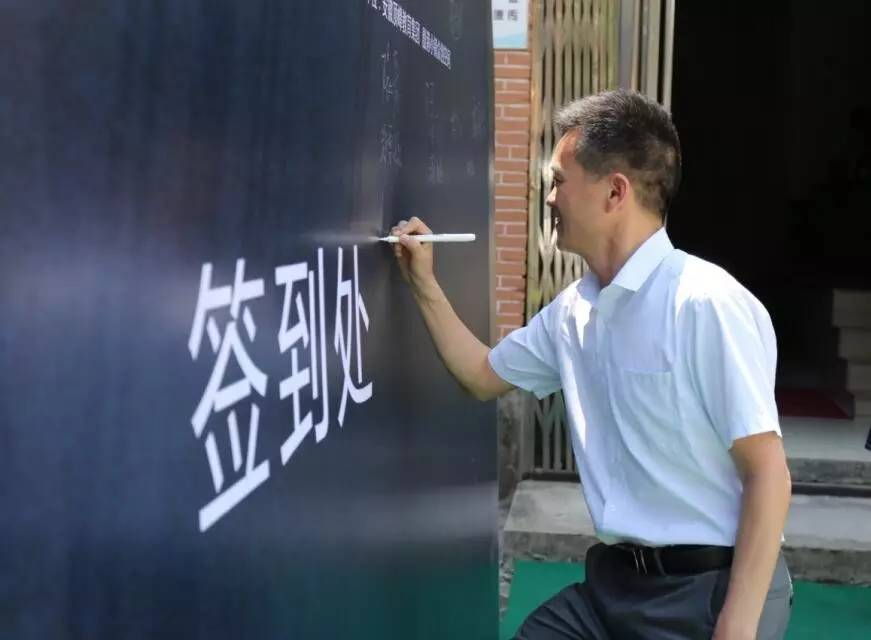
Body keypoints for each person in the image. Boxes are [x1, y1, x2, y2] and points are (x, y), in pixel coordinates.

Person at [390, 89, 793, 639]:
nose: (549, 198)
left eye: (558, 181)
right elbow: (482, 375)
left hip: (709, 590)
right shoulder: (573, 311)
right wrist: (423, 283)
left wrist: (736, 628)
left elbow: (768, 473)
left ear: (615, 191)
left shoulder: (705, 303)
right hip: (614, 588)